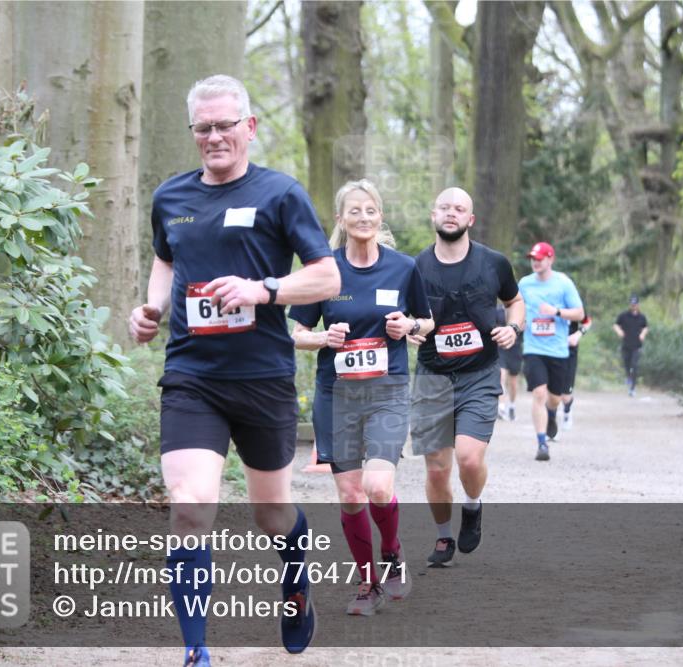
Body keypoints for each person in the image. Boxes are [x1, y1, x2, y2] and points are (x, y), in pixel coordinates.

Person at [128, 75, 340, 667]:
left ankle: (295, 577)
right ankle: (197, 651)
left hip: (263, 377)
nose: (215, 136)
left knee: (271, 512)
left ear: (249, 127)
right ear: (193, 131)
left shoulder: (280, 193)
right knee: (190, 504)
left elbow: (327, 278)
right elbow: (166, 261)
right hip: (192, 376)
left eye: (226, 124)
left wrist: (263, 288)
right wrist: (151, 310)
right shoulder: (171, 197)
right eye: (204, 127)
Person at [289, 179, 433, 616]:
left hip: (387, 388)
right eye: (355, 211)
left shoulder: (404, 267)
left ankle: (392, 553)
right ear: (340, 219)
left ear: (380, 216)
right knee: (350, 495)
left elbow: (427, 324)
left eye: (370, 210)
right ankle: (366, 583)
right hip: (336, 394)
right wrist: (323, 338)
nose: (363, 218)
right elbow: (297, 335)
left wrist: (407, 328)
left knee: (377, 485)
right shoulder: (324, 271)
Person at [409, 187, 524, 568]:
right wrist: (407, 329)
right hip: (432, 377)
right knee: (438, 469)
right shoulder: (415, 269)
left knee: (469, 459)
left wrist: (514, 328)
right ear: (433, 215)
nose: (452, 213)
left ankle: (472, 507)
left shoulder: (493, 263)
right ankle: (444, 537)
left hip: (479, 373)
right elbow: (402, 316)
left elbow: (515, 301)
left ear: (470, 219)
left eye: (460, 209)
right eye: (445, 207)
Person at [518, 242, 585, 461]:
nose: (535, 262)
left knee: (555, 398)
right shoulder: (525, 284)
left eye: (540, 258)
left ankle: (552, 413)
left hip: (557, 349)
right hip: (533, 347)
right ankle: (541, 444)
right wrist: (519, 322)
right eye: (532, 259)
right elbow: (516, 307)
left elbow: (579, 313)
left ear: (550, 259)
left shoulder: (563, 283)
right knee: (538, 393)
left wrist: (556, 311)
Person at [560, 311, 592, 431]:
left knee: (565, 395)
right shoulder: (545, 299)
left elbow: (587, 321)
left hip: (569, 352)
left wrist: (578, 334)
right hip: (548, 350)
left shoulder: (572, 301)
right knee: (545, 390)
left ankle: (567, 412)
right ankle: (549, 421)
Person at [613, 294, 649, 397]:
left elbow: (646, 327)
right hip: (626, 344)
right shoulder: (624, 315)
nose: (633, 306)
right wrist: (619, 331)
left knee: (634, 365)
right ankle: (628, 377)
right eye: (632, 304)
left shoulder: (642, 317)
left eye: (635, 304)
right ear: (630, 305)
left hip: (637, 345)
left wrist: (643, 334)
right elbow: (616, 324)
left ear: (638, 305)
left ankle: (632, 388)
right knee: (627, 365)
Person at [495, 304, 524, 421]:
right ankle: (501, 407)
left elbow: (524, 326)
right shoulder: (497, 311)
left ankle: (512, 406)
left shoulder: (520, 309)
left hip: (515, 349)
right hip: (501, 349)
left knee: (513, 382)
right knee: (501, 377)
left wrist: (512, 328)